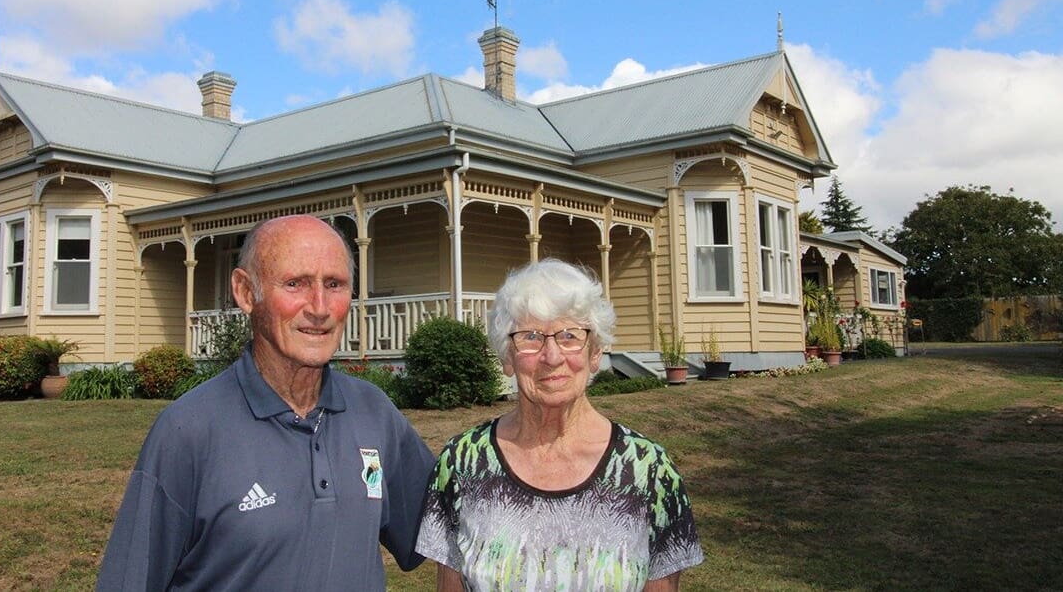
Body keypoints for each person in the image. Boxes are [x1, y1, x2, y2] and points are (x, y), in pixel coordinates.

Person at [97, 215, 436, 590]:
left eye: (335, 284)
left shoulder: (374, 413)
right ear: (245, 292)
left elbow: (454, 528)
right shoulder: (187, 432)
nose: (320, 307)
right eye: (295, 284)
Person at [416, 259, 704, 591]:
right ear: (508, 358)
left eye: (569, 336)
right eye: (531, 337)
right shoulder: (462, 462)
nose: (552, 356)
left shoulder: (648, 471)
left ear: (595, 352)